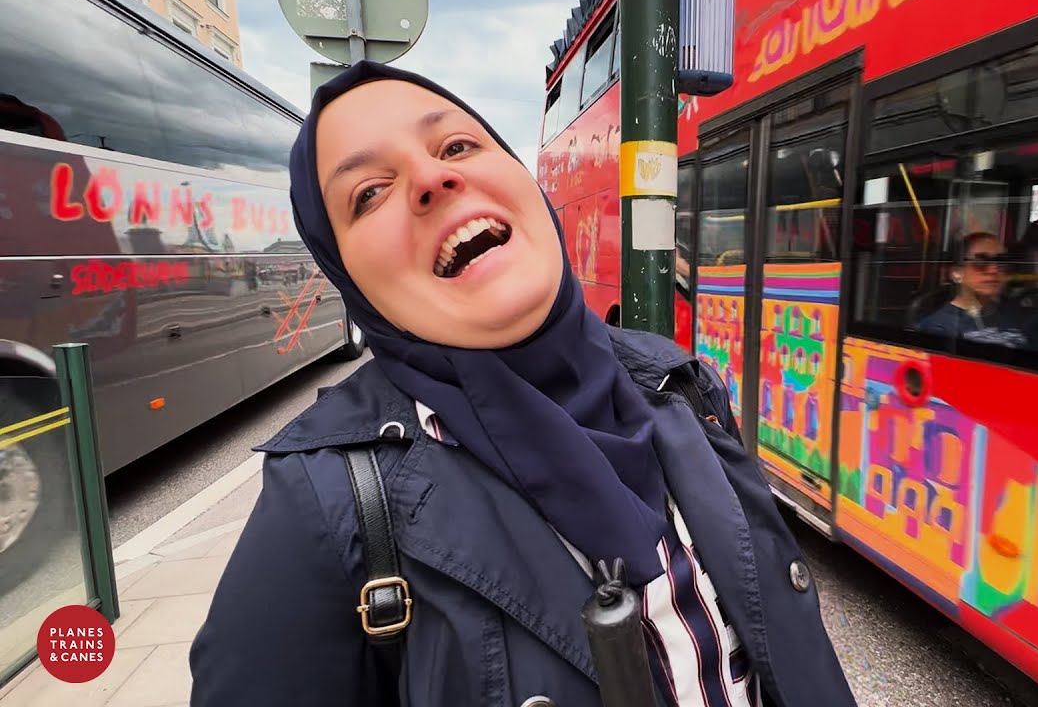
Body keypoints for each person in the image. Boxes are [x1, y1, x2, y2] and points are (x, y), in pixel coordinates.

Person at [188, 60, 857, 707]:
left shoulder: (680, 383)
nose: (432, 177)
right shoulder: (322, 506)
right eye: (368, 193)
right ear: (348, 277)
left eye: (457, 145)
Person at [915, 232, 1033, 346]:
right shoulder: (939, 327)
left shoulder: (1014, 313)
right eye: (981, 261)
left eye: (1001, 261)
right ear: (957, 273)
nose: (993, 270)